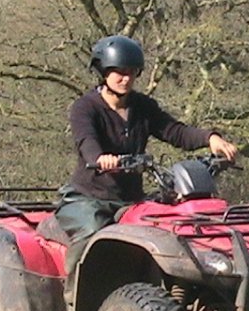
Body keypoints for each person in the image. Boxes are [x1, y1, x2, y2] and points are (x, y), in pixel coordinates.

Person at [55, 34, 239, 288]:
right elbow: (86, 140)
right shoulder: (85, 107)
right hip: (88, 198)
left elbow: (175, 131)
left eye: (132, 72)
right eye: (118, 71)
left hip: (131, 200)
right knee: (90, 233)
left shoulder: (142, 106)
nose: (126, 78)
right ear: (103, 72)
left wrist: (211, 138)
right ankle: (74, 297)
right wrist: (100, 159)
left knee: (172, 228)